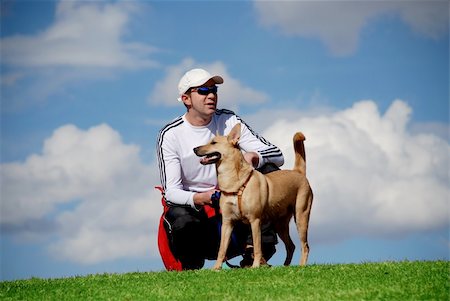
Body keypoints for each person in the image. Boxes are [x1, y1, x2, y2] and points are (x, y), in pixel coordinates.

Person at [156, 68, 284, 270]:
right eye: (203, 90)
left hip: (238, 204)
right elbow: (171, 192)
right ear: (186, 99)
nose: (211, 96)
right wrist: (200, 197)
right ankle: (191, 268)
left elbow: (277, 155)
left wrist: (254, 156)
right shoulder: (171, 134)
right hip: (200, 214)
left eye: (214, 90)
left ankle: (256, 255)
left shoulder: (228, 120)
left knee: (267, 170)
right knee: (178, 216)